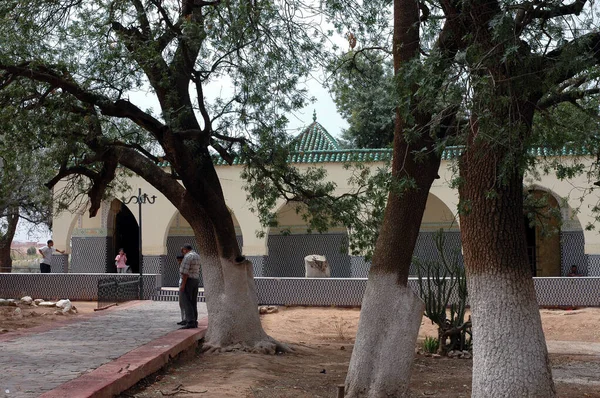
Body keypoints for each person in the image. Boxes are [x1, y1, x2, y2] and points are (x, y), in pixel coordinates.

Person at [179, 244, 201, 329]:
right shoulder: (197, 256)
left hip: (188, 280)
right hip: (195, 280)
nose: (182, 252)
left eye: (183, 250)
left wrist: (183, 285)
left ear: (185, 249)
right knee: (193, 301)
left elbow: (185, 272)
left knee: (186, 301)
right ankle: (194, 320)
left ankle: (190, 321)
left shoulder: (188, 257)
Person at [176, 254, 186, 325]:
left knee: (184, 303)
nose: (179, 262)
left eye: (180, 260)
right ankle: (183, 318)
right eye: (178, 260)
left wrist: (182, 286)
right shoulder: (181, 266)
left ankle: (186, 319)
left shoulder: (185, 267)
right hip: (181, 284)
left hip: (184, 285)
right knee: (181, 303)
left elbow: (185, 276)